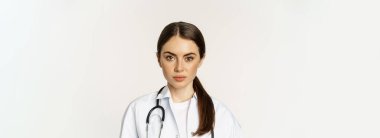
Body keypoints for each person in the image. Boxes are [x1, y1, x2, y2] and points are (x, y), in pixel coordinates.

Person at [120, 21, 243, 138]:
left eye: (188, 58)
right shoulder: (139, 109)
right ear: (159, 59)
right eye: (170, 57)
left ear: (201, 59)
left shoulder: (221, 115)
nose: (179, 68)